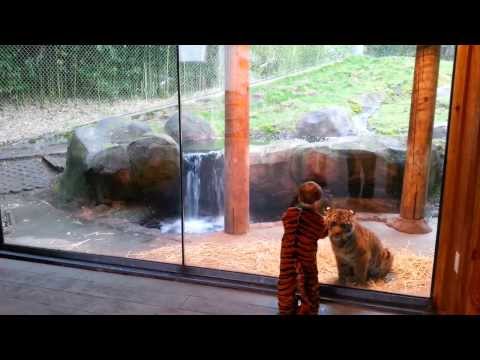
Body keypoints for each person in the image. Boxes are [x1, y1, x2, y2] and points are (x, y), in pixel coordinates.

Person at [277, 181, 329, 315]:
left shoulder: (289, 213)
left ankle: (285, 309)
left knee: (286, 283)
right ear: (317, 202)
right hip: (306, 258)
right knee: (309, 283)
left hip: (288, 257)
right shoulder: (317, 220)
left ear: (299, 198)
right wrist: (327, 221)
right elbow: (323, 233)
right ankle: (309, 310)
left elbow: (284, 220)